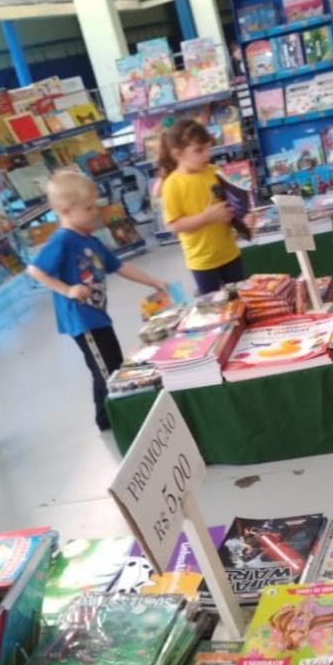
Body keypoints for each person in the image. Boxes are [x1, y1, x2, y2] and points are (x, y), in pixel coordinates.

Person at [26, 169, 168, 431]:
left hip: (97, 315)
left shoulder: (90, 240)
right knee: (107, 370)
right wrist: (67, 290)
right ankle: (117, 419)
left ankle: (104, 417)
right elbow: (35, 270)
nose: (95, 212)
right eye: (88, 208)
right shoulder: (63, 240)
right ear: (66, 211)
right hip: (82, 319)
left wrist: (153, 281)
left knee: (110, 365)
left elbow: (118, 266)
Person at [158, 118, 244, 294]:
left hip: (230, 253)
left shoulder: (214, 171)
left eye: (207, 148)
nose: (207, 155)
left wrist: (243, 215)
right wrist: (205, 218)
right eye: (199, 150)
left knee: (243, 300)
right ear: (178, 153)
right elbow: (173, 225)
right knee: (214, 306)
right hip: (202, 262)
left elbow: (229, 204)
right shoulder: (172, 185)